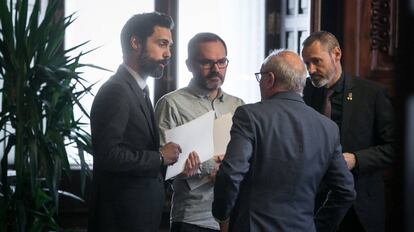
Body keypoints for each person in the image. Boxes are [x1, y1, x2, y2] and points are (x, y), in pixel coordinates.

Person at [212, 49, 356, 232]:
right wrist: (319, 226)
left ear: (270, 79)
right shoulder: (328, 128)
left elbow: (231, 173)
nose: (260, 82)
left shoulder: (250, 116)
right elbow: (345, 191)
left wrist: (221, 214)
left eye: (260, 77)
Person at [88, 12, 182, 232]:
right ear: (135, 43)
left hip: (138, 217)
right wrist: (160, 156)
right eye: (162, 44)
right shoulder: (116, 91)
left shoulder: (138, 89)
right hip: (121, 220)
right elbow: (108, 155)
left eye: (170, 46)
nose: (168, 54)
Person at [301, 31, 395, 232]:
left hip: (360, 208)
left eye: (317, 61)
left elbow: (395, 148)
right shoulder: (305, 93)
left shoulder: (371, 93)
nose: (311, 69)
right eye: (307, 63)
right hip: (314, 206)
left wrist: (356, 159)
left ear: (336, 54)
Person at [154, 32, 245, 232]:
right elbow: (160, 165)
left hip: (234, 217)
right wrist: (182, 168)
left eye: (222, 62)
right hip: (192, 218)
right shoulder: (171, 104)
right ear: (189, 65)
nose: (216, 70)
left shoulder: (238, 105)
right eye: (207, 63)